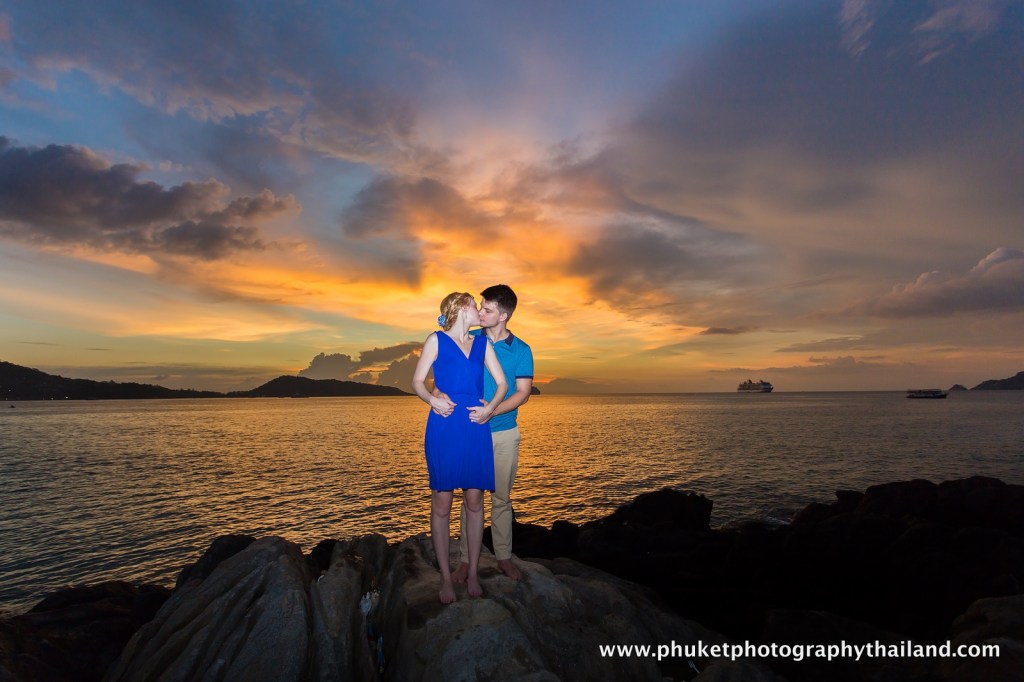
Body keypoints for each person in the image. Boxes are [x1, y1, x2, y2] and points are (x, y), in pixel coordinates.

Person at [411, 292, 507, 604]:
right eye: (474, 305)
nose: (480, 310)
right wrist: (432, 399)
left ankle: (474, 573)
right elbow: (417, 381)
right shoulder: (435, 340)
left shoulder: (483, 344)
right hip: (444, 426)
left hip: (475, 426)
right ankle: (445, 577)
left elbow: (503, 384)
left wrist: (489, 409)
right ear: (460, 308)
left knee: (476, 500)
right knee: (441, 503)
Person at [446, 285, 534, 582]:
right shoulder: (469, 341)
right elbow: (449, 374)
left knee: (501, 499)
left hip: (504, 433)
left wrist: (491, 411)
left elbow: (522, 393)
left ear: (503, 315)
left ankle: (504, 558)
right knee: (470, 500)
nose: (480, 313)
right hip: (470, 433)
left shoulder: (521, 350)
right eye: (480, 307)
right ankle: (465, 559)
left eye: (487, 309)